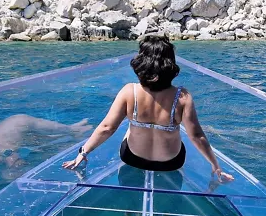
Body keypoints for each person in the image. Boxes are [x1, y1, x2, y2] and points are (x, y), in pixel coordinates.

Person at [62, 34, 234, 181]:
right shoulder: (182, 97)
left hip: (133, 158)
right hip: (171, 162)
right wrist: (215, 165)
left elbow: (107, 128)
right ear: (170, 64)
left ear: (141, 62)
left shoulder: (129, 91)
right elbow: (196, 136)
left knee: (130, 127)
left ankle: (128, 214)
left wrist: (83, 152)